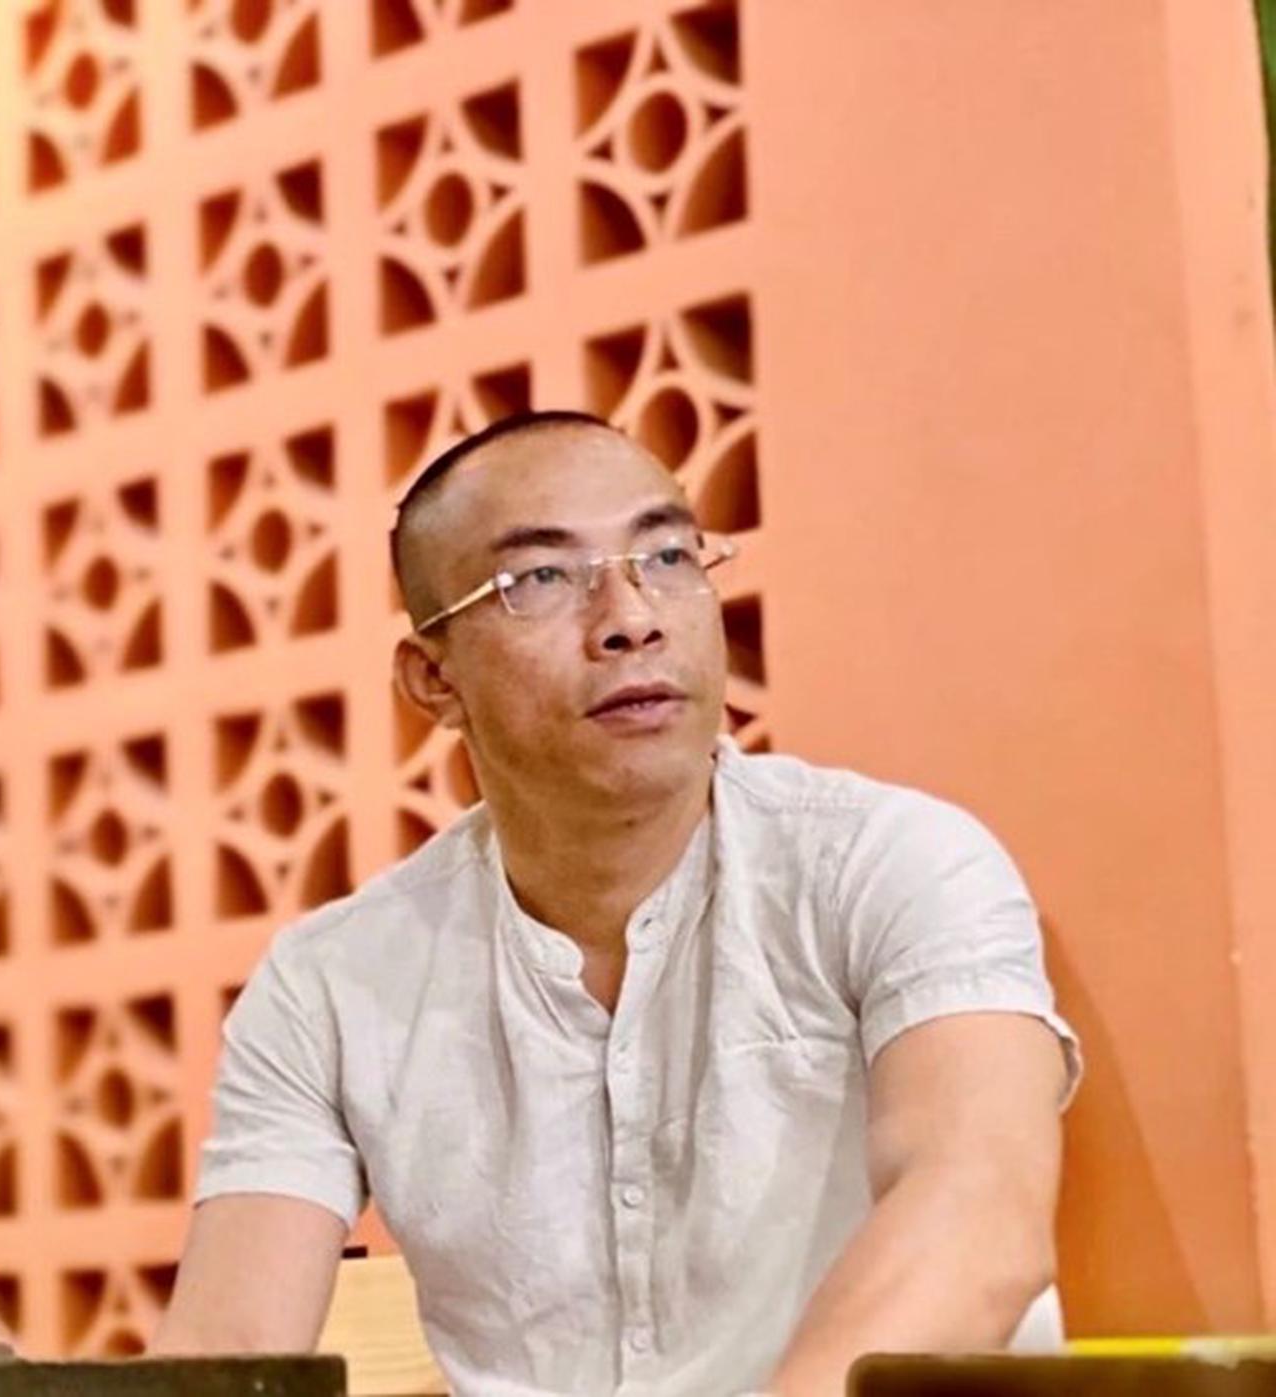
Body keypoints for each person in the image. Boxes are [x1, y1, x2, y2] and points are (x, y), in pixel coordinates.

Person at [152, 411, 1081, 1396]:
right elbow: (227, 1348)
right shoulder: (331, 984)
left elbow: (980, 1214)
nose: (631, 616)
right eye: (540, 578)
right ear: (433, 679)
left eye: (668, 556)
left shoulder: (891, 860)